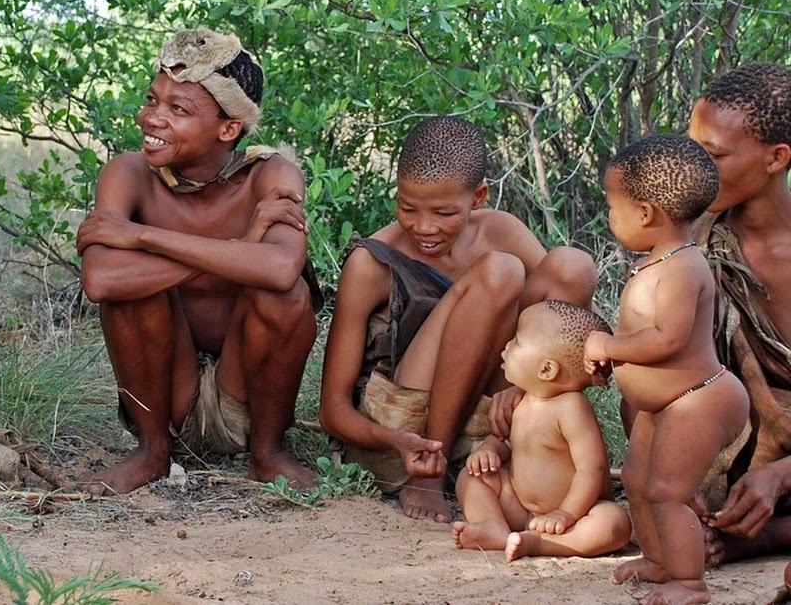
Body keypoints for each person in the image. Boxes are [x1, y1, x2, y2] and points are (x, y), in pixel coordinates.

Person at [318, 116, 597, 522]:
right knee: (500, 272)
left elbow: (571, 319)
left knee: (573, 267)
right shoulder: (371, 262)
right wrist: (394, 439)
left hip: (488, 411)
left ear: (479, 196)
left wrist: (524, 387)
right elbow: (332, 409)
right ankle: (431, 473)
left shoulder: (500, 230)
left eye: (444, 212)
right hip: (407, 427)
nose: (424, 227)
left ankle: (518, 441)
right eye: (407, 208)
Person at [76, 28, 318, 495]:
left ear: (228, 129)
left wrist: (142, 236)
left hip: (245, 394)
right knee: (132, 290)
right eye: (152, 100)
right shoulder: (129, 174)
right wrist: (241, 245)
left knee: (286, 296)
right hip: (169, 394)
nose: (153, 118)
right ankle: (152, 451)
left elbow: (281, 269)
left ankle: (268, 452)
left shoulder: (271, 175)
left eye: (179, 109)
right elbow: (101, 280)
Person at [584, 134, 749, 605]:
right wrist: (612, 356)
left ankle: (690, 583)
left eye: (612, 207)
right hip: (664, 405)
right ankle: (659, 561)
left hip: (699, 399)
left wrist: (608, 344)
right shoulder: (655, 262)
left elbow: (668, 339)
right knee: (638, 482)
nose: (610, 216)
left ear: (644, 213)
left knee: (666, 491)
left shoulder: (682, 268)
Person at [683, 63, 791, 573]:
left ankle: (766, 537)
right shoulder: (690, 241)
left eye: (715, 156)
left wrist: (782, 475)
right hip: (733, 451)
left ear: (776, 158)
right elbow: (661, 374)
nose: (695, 170)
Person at [452, 300, 630, 562]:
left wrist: (566, 513)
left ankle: (544, 544)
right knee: (471, 478)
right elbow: (508, 442)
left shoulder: (571, 408)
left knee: (613, 522)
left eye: (517, 341)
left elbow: (592, 469)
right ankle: (493, 526)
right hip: (520, 507)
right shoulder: (522, 400)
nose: (507, 346)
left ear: (547, 369)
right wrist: (489, 450)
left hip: (575, 515)